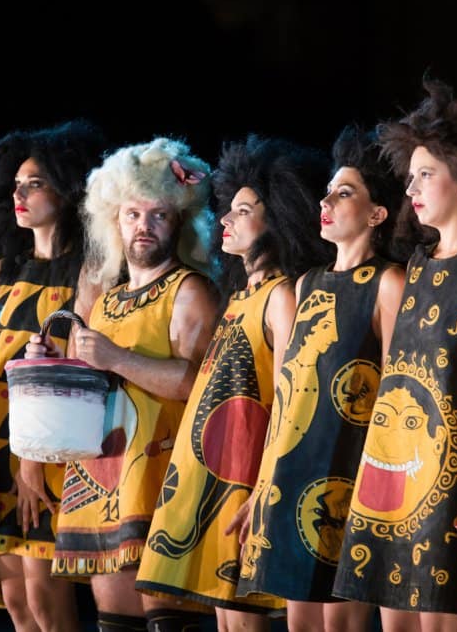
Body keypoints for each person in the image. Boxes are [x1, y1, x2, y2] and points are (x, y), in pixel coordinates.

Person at [332, 80, 457, 631]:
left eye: (425, 174)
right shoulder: (414, 265)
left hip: (453, 479)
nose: (411, 188)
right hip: (394, 472)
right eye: (410, 176)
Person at [135, 135, 334, 629]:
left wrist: (265, 486)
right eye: (230, 208)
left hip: (246, 476)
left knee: (243, 618)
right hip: (210, 472)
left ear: (278, 220)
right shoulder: (240, 295)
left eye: (243, 211)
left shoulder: (282, 295)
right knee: (224, 618)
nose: (226, 218)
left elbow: (289, 399)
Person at [24, 137, 221, 632]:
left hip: (163, 482)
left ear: (179, 222)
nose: (143, 226)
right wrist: (49, 365)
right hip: (104, 482)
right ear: (115, 220)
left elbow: (196, 383)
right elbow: (87, 389)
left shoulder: (189, 290)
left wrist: (116, 357)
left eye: (158, 215)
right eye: (133, 214)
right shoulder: (106, 302)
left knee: (167, 622)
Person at [235, 125, 407, 632]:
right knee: (300, 623)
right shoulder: (307, 282)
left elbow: (396, 393)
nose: (326, 201)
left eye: (344, 193)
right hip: (293, 470)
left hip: (348, 475)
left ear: (377, 214)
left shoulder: (388, 281)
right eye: (328, 191)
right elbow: (286, 396)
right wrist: (263, 483)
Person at [0, 120, 108, 632]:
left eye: (34, 184)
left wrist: (33, 462)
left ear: (65, 189)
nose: (19, 195)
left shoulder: (86, 270)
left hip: (44, 446)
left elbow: (76, 368)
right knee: (15, 601)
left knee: (45, 601)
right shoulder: (3, 271)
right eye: (15, 184)